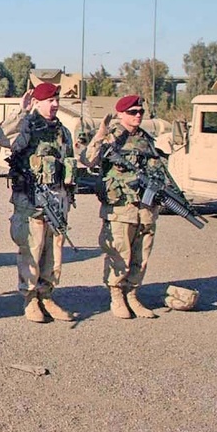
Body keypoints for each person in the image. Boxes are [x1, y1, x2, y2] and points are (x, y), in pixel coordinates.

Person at [0, 82, 77, 322]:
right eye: (49, 100)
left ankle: (47, 295)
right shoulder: (27, 126)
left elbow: (68, 162)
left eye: (56, 99)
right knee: (32, 250)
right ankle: (30, 300)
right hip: (31, 201)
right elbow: (0, 137)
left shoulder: (62, 131)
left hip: (57, 202)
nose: (55, 104)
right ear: (37, 102)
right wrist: (21, 111)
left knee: (54, 253)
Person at [81, 94, 164, 319]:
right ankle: (117, 295)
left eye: (140, 112)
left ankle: (133, 294)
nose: (138, 115)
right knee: (119, 253)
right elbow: (87, 160)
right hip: (120, 207)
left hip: (145, 208)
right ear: (121, 114)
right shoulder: (111, 137)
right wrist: (99, 135)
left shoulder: (146, 139)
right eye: (132, 112)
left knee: (142, 253)